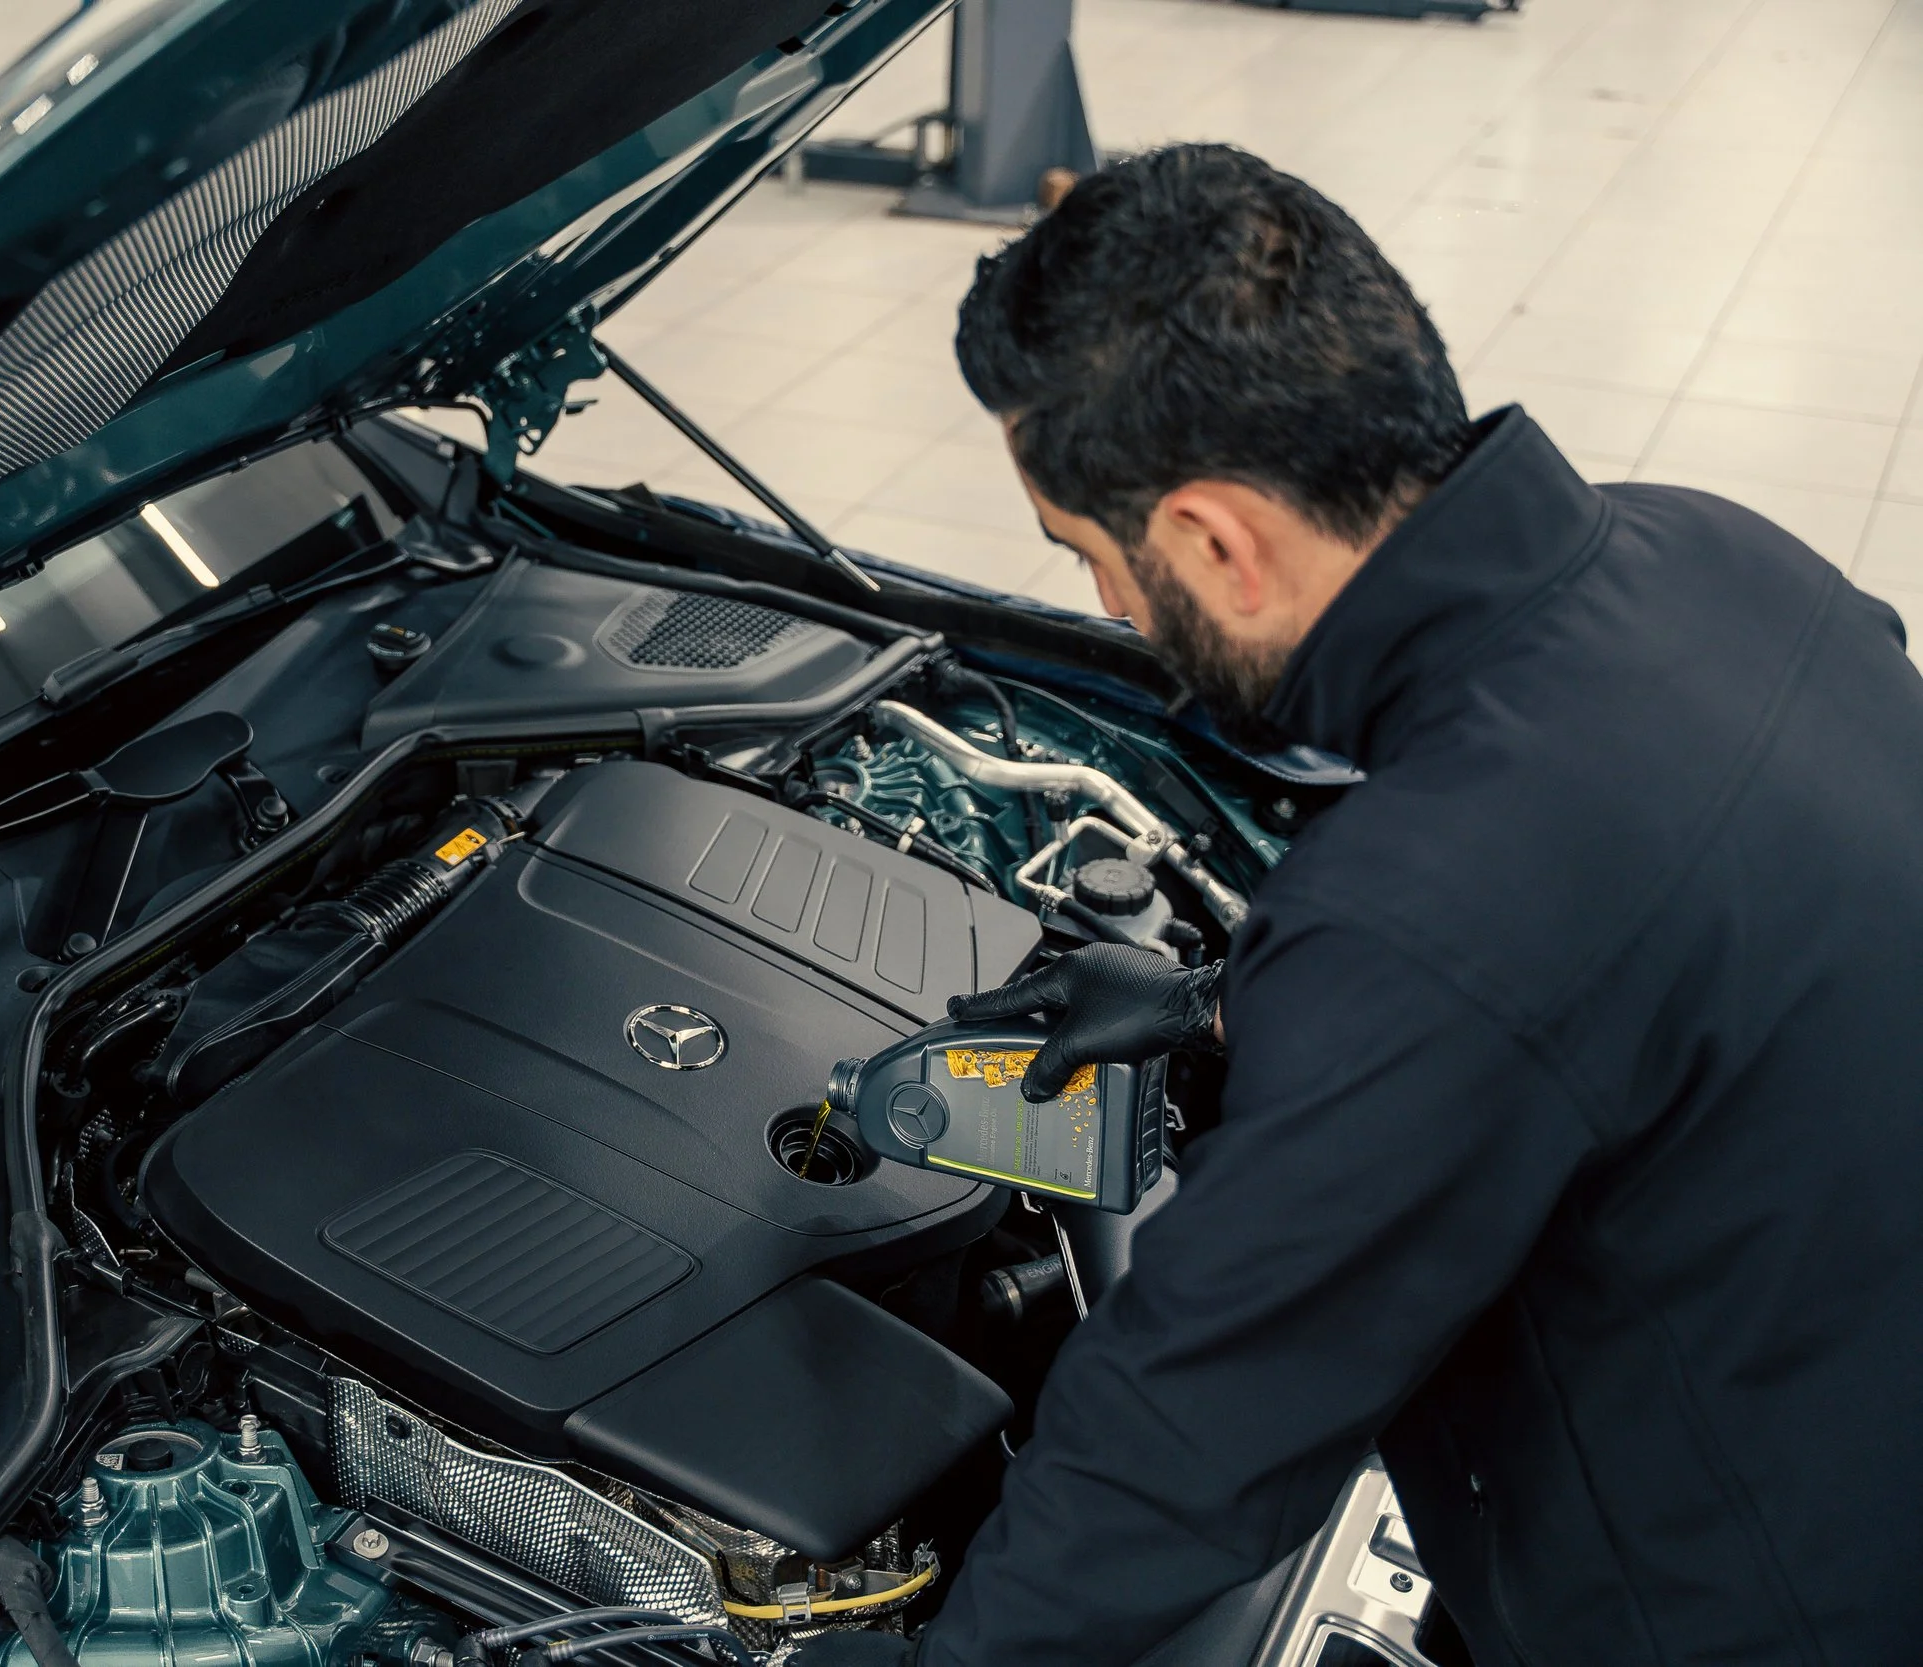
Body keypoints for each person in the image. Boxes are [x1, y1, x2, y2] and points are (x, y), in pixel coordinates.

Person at [793, 143, 1923, 1665]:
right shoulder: (1716, 551)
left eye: (1090, 558)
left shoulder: (1436, 912)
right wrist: (1215, 1005)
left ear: (1208, 539)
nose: (1112, 611)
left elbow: (1185, 1442)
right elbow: (1618, 980)